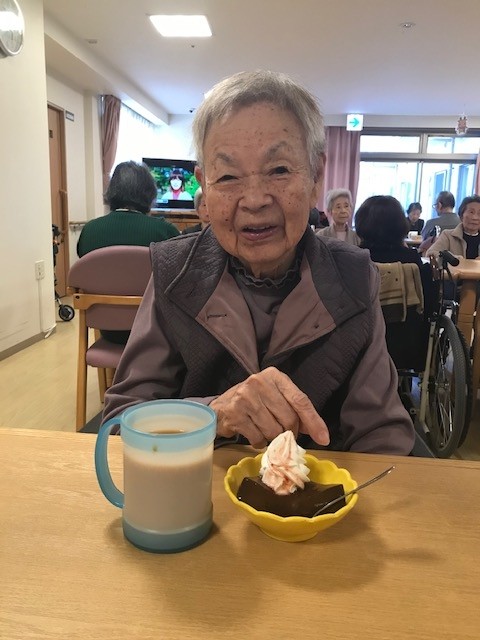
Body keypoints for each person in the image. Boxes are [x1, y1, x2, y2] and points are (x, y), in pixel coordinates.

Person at [103, 70, 414, 455]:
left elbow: (383, 437)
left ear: (315, 176)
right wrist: (212, 414)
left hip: (322, 489)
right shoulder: (174, 272)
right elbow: (121, 425)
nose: (254, 200)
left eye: (279, 170)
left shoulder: (355, 277)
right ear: (204, 185)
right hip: (198, 487)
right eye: (228, 176)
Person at [76, 160, 179, 344]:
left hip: (107, 328)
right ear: (149, 193)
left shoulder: (89, 231)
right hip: (156, 333)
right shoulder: (165, 232)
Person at [426, 196, 480, 260]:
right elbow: (431, 253)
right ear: (461, 215)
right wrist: (453, 259)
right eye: (471, 212)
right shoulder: (448, 235)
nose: (475, 218)